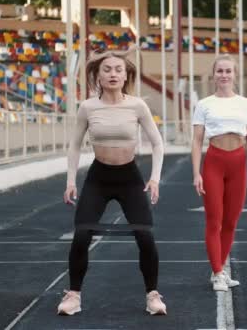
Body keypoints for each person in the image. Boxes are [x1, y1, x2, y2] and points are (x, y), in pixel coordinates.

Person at [57, 47, 167, 316]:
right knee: (82, 234)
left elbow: (157, 143)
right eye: (107, 69)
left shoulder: (137, 105)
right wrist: (71, 180)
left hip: (129, 178)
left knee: (145, 235)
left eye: (118, 69)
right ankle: (73, 295)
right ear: (98, 75)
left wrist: (154, 179)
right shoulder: (88, 107)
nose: (113, 74)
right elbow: (73, 146)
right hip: (99, 178)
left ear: (126, 74)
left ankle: (153, 295)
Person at [191, 54, 247, 292]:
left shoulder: (245, 103)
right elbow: (197, 140)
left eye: (228, 71)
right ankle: (219, 272)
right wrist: (196, 173)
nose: (224, 75)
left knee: (231, 221)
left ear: (235, 74)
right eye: (220, 71)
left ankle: (218, 269)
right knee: (214, 220)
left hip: (238, 163)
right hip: (214, 162)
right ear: (214, 75)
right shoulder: (204, 104)